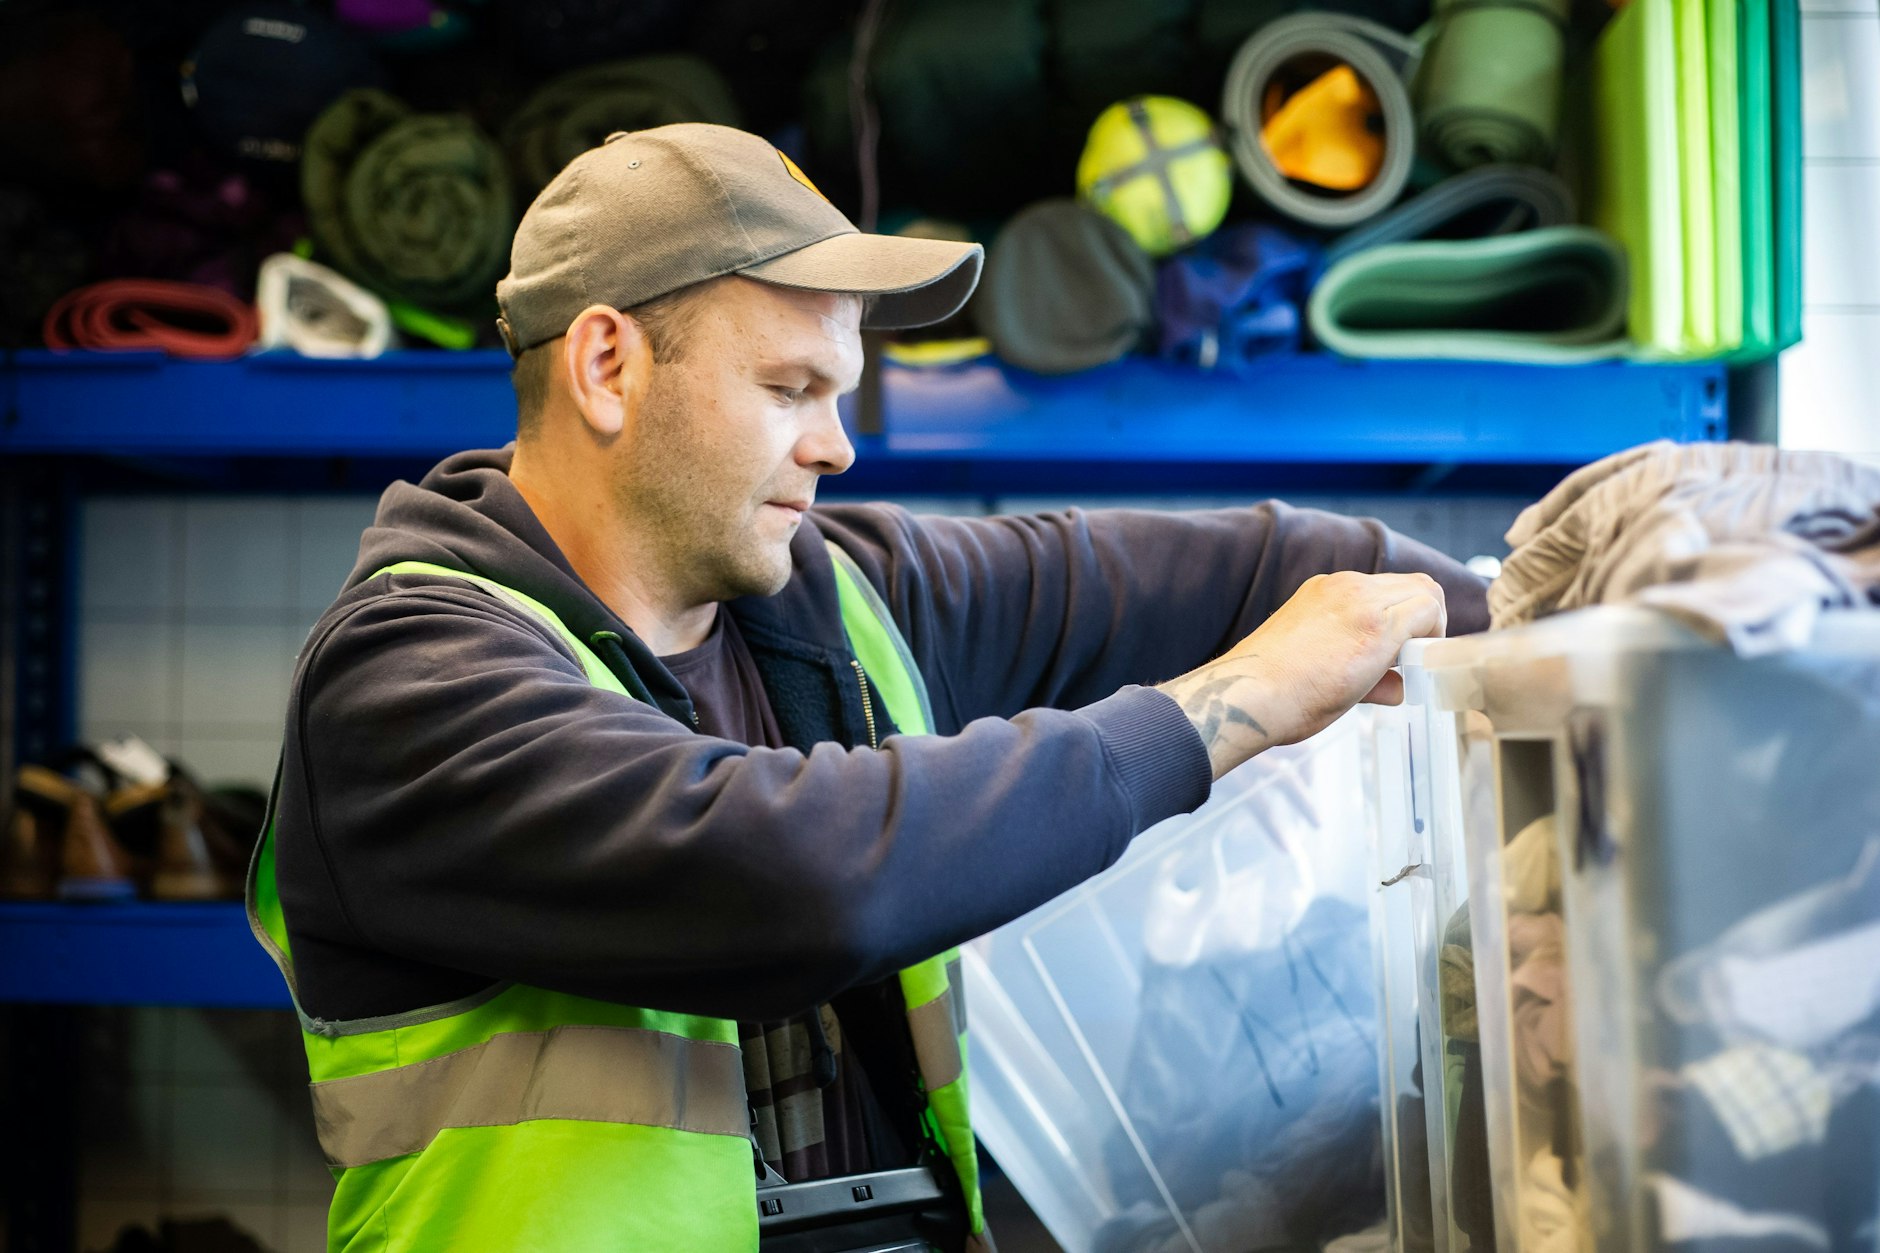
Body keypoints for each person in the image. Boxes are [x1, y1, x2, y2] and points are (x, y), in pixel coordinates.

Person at [249, 123, 1483, 1252]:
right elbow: (792, 878)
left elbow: (1265, 564)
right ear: (608, 365)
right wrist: (1233, 703)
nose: (837, 443)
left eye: (837, 393)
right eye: (789, 389)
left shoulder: (840, 595)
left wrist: (1554, 629)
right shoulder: (408, 682)